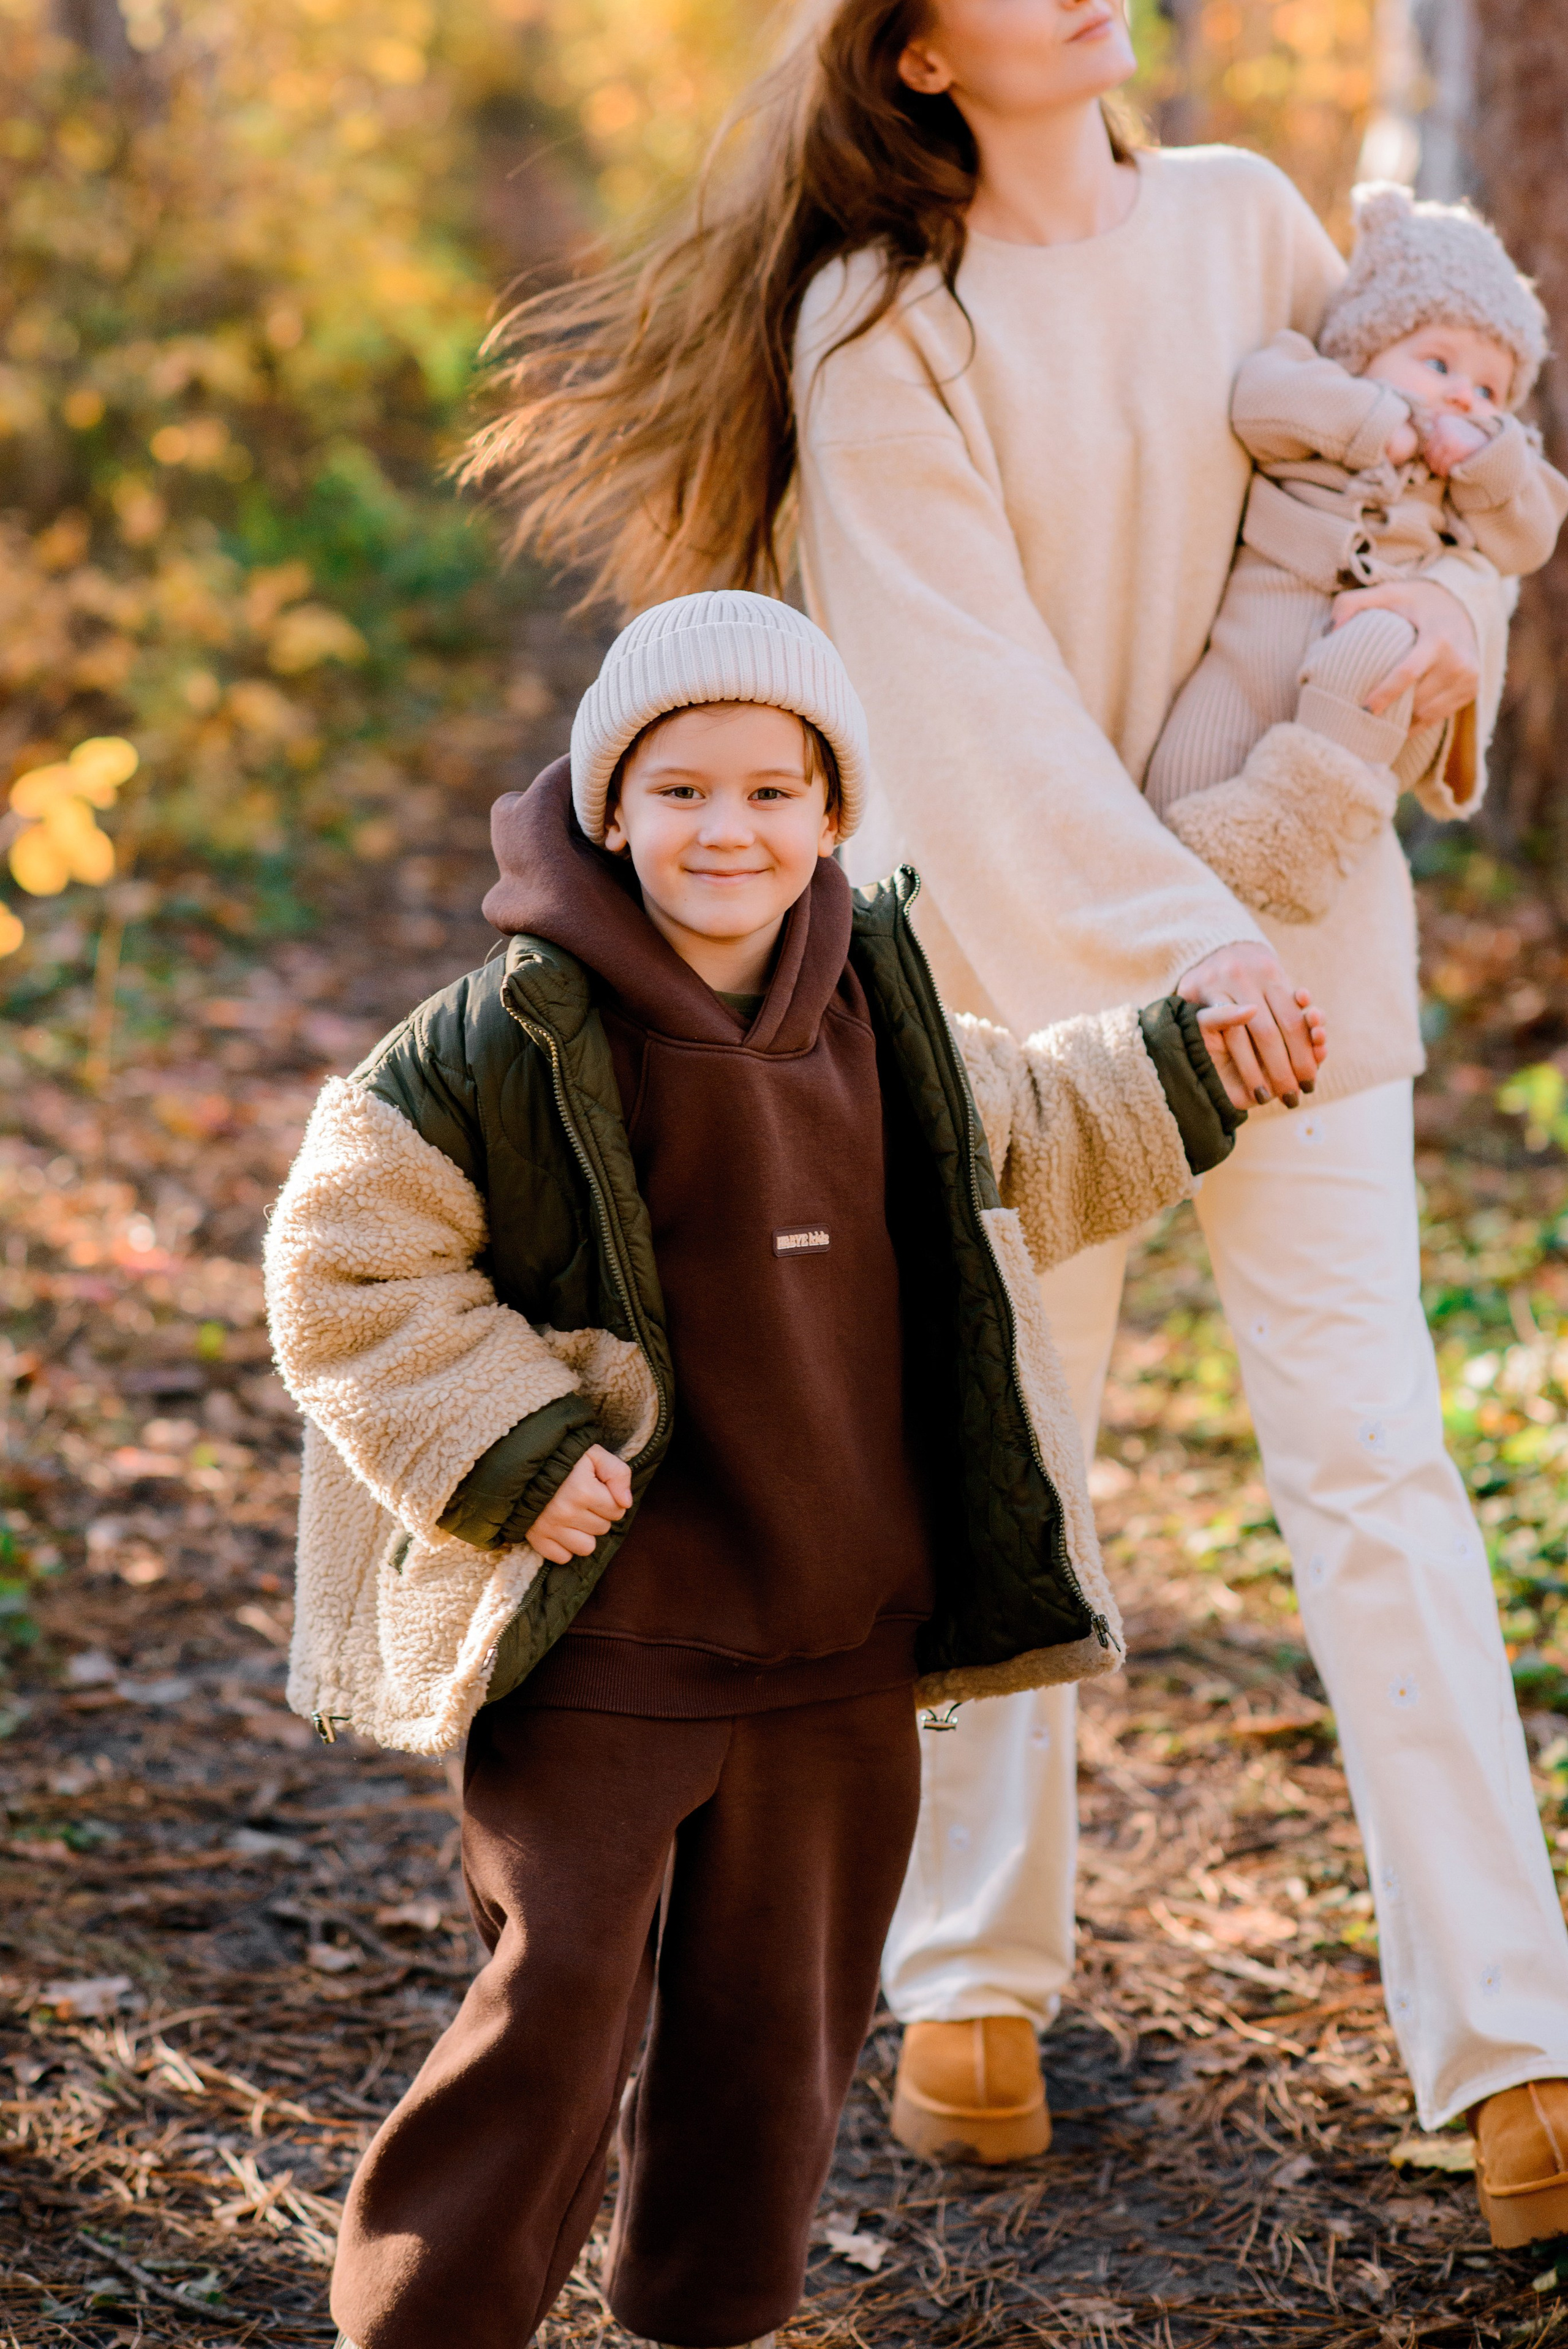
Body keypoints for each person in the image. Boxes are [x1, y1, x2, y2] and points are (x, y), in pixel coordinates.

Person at [460, 0, 1568, 2255]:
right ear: (919, 53)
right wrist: (1181, 941)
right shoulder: (883, 324)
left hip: (1307, 951)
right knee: (1004, 1455)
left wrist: (1437, 645)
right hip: (1026, 1003)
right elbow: (954, 704)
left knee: (1368, 1467)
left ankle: (1515, 2042)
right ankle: (970, 1983)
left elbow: (1420, 499)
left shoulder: (1250, 218)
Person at [264, 590, 1267, 2349]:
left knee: (773, 2027)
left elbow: (1034, 1127)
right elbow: (346, 1260)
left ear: (832, 814)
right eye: (679, 791)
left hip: (835, 1633)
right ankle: (428, 2319)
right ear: (605, 805)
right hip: (609, 1642)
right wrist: (511, 1440)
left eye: (768, 792)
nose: (725, 829)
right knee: (556, 1990)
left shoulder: (881, 1011)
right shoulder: (503, 1038)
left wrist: (1188, 1063)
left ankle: (702, 2315)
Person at [1148, 180, 1568, 922]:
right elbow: (1258, 401)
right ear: (1366, 344)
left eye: (1489, 389)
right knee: (1177, 785)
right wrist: (1379, 421)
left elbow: (1533, 531)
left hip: (1385, 697)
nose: (1464, 397)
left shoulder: (1481, 472)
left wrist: (1488, 458)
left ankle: (1296, 842)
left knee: (1377, 646)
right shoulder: (1321, 383)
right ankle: (1194, 920)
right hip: (1251, 657)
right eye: (1438, 365)